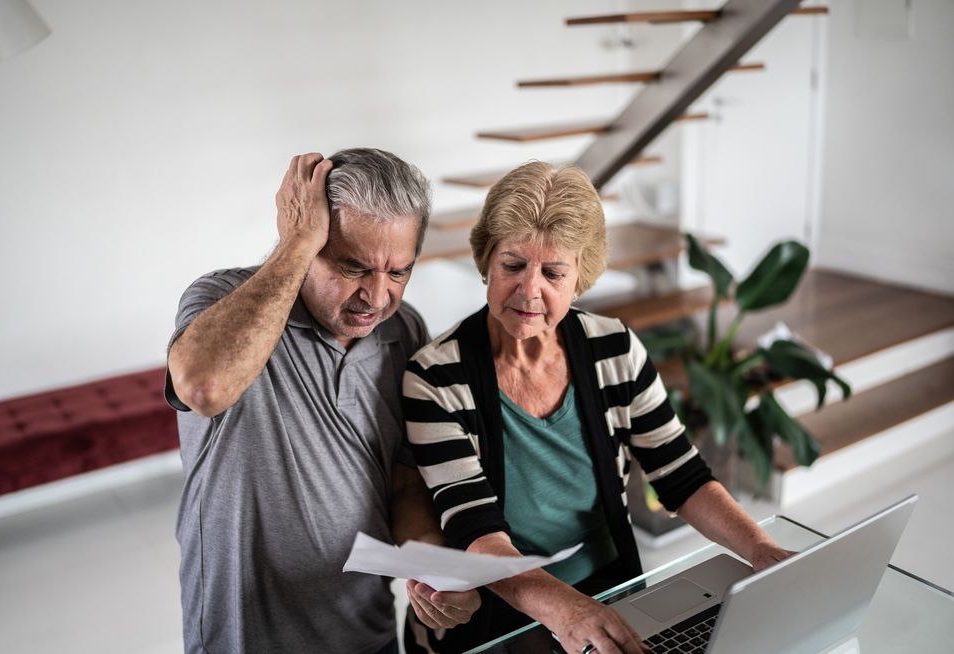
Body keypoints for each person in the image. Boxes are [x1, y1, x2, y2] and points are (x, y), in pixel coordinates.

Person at [402, 162, 794, 654]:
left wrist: (760, 548)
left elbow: (682, 477)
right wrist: (567, 611)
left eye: (553, 272)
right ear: (486, 261)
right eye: (513, 265)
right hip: (503, 613)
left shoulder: (615, 347)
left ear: (580, 277)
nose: (529, 289)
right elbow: (477, 532)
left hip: (610, 591)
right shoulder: (435, 377)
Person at [165, 149, 478, 654]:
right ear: (308, 239)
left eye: (398, 272)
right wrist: (294, 243)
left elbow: (404, 479)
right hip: (244, 637)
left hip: (367, 629)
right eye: (354, 267)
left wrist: (430, 568)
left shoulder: (403, 329)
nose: (376, 297)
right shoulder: (224, 297)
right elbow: (204, 387)